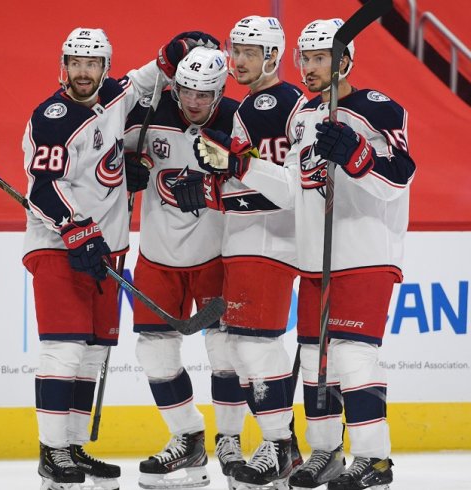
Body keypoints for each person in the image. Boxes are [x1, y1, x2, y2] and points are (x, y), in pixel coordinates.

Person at [193, 18, 416, 490]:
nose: (311, 68)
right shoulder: (304, 118)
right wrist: (239, 165)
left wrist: (359, 158)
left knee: (352, 358)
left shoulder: (378, 108)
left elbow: (400, 178)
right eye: (306, 58)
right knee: (317, 362)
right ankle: (326, 452)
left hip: (366, 252)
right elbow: (292, 188)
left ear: (345, 61)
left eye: (322, 58)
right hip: (317, 259)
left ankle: (375, 459)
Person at [22, 27, 215, 490]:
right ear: (62, 65)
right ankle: (52, 452)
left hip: (107, 250)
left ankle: (71, 448)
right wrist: (75, 228)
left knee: (92, 354)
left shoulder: (116, 95)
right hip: (59, 246)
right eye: (74, 63)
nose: (82, 73)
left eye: (91, 64)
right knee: (64, 349)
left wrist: (173, 52)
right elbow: (42, 188)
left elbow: (150, 77)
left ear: (104, 67)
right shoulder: (52, 116)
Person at [182, 15, 310, 490]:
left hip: (270, 240)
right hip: (243, 239)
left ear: (273, 56)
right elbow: (239, 178)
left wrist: (232, 169)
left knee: (255, 346)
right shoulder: (249, 106)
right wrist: (206, 186)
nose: (236, 61)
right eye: (235, 51)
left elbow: (293, 186)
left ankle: (280, 447)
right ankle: (282, 446)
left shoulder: (288, 104)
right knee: (243, 347)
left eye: (248, 53)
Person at [121, 44, 242, 490]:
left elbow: (261, 174)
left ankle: (229, 438)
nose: (193, 102)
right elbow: (104, 142)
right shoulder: (150, 113)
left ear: (220, 91)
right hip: (158, 256)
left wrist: (216, 181)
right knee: (153, 352)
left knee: (226, 351)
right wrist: (125, 168)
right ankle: (186, 438)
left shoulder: (236, 119)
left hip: (216, 254)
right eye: (186, 91)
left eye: (203, 95)